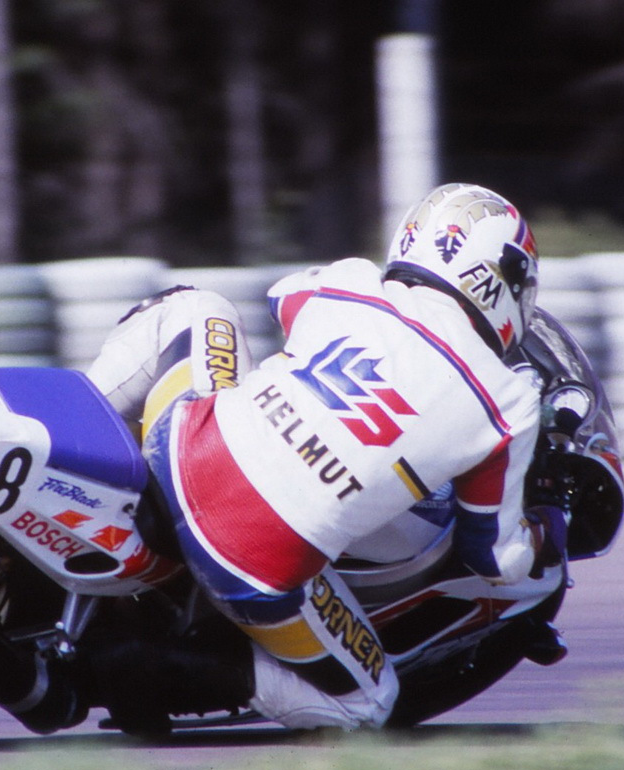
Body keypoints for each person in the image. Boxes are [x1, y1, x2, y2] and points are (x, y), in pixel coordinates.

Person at [83, 182, 559, 731]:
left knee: (196, 308)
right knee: (370, 704)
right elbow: (494, 560)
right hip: (248, 568)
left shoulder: (348, 282)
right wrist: (547, 528)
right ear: (498, 278)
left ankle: (79, 428)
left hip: (180, 449)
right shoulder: (508, 401)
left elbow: (282, 299)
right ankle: (162, 665)